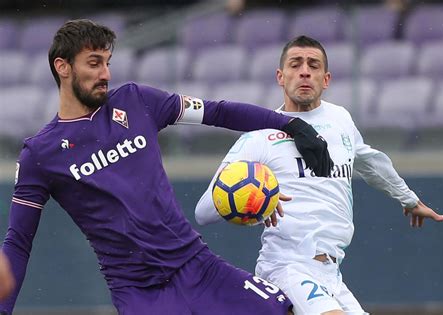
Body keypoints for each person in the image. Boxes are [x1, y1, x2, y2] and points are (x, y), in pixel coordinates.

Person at [0, 20, 335, 314]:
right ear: (63, 67)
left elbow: (217, 111)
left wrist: (291, 125)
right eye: (94, 63)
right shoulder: (40, 154)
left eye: (107, 62)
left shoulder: (136, 101)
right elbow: (18, 242)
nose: (105, 74)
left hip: (199, 268)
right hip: (140, 294)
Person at [195, 35, 443, 315]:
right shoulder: (260, 137)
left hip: (332, 274)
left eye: (313, 65)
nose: (305, 70)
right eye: (295, 64)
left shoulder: (340, 120)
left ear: (326, 79)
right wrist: (256, 198)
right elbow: (203, 212)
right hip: (287, 267)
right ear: (281, 76)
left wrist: (408, 199)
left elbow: (369, 161)